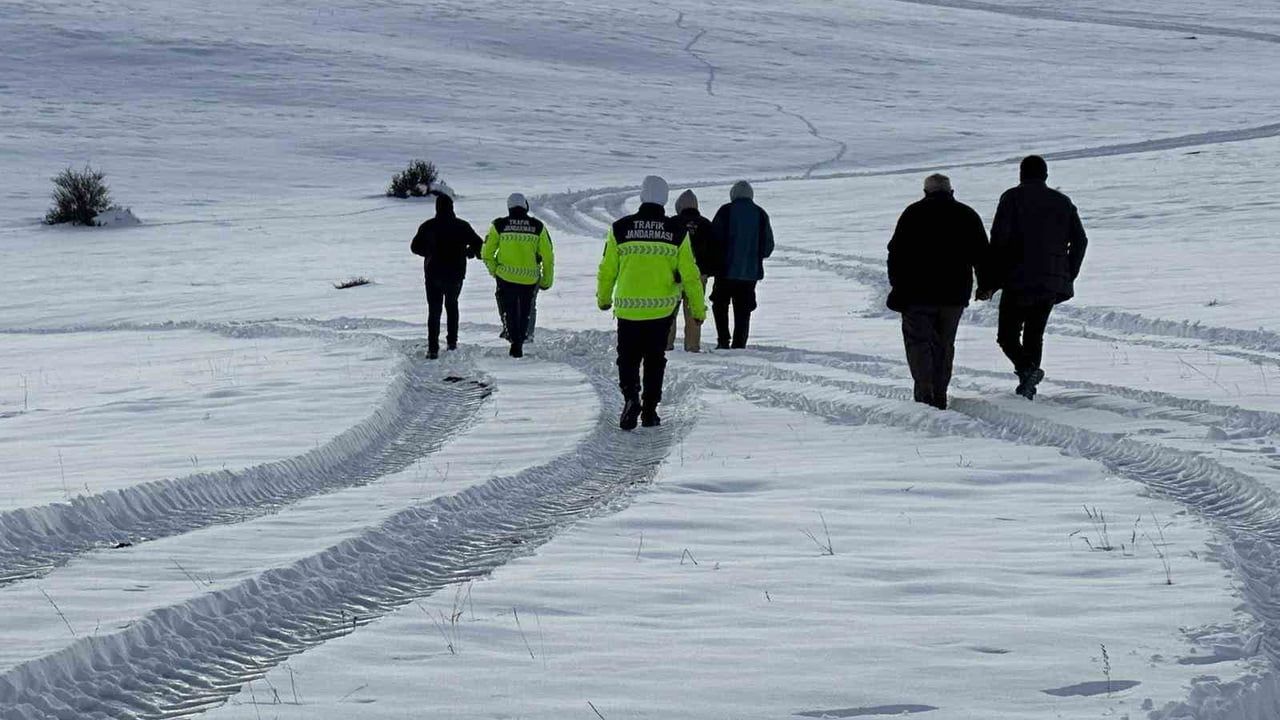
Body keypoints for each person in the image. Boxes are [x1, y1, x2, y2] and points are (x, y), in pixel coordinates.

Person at [597, 175, 706, 430]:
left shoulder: (620, 228)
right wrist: (698, 310)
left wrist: (603, 299)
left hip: (628, 308)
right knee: (655, 359)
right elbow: (690, 275)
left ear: (642, 196)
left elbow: (607, 269)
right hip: (661, 310)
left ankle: (631, 396)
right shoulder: (676, 231)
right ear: (665, 199)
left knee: (627, 358)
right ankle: (649, 411)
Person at [980, 155, 1089, 400]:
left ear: (1021, 174)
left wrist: (991, 281)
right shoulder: (1062, 201)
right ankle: (1028, 384)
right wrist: (1067, 274)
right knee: (1034, 334)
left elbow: (998, 240)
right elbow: (1080, 241)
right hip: (1051, 281)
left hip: (1017, 279)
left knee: (1007, 335)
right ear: (1045, 175)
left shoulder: (1012, 198)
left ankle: (1027, 372)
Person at [886, 174, 990, 410]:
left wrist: (897, 285)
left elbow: (896, 253)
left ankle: (925, 394)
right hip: (954, 295)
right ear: (951, 192)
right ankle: (940, 394)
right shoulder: (966, 214)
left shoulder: (913, 213)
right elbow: (982, 254)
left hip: (916, 295)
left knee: (918, 344)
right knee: (944, 344)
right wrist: (985, 286)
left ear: (926, 192)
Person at [409, 193, 483, 359]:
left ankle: (433, 348)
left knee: (434, 310)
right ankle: (452, 343)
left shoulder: (428, 226)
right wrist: (468, 252)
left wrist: (429, 252)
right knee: (452, 306)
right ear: (452, 207)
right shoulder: (462, 226)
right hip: (455, 274)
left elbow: (415, 247)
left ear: (437, 208)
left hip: (433, 273)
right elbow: (479, 245)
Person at [483, 193, 555, 358]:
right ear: (525, 206)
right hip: (529, 278)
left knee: (507, 308)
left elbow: (486, 252)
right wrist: (546, 280)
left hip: (505, 277)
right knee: (525, 310)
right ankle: (520, 341)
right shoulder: (538, 226)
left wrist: (495, 271)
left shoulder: (499, 225)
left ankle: (512, 337)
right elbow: (548, 256)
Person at [710, 180, 773, 349]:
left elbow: (713, 240)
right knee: (743, 310)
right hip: (750, 273)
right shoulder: (760, 213)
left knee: (720, 305)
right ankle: (739, 344)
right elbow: (767, 247)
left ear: (733, 194)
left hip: (725, 271)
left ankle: (723, 341)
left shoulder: (725, 211)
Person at [666, 189, 716, 352]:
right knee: (694, 311)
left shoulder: (672, 223)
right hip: (698, 276)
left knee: (669, 312)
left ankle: (666, 344)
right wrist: (707, 272)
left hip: (674, 276)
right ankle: (692, 346)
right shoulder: (706, 224)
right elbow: (714, 251)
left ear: (679, 207)